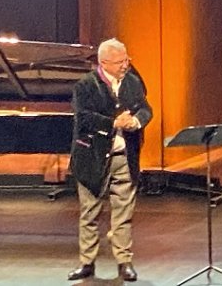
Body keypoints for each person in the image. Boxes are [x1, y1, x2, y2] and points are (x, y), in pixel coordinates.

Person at [67, 38, 152, 282]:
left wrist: (136, 122)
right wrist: (113, 122)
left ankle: (124, 262)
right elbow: (83, 118)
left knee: (123, 213)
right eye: (120, 62)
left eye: (126, 59)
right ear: (104, 63)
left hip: (124, 158)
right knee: (89, 213)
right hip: (92, 158)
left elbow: (145, 109)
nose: (126, 65)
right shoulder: (85, 85)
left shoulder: (132, 82)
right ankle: (87, 263)